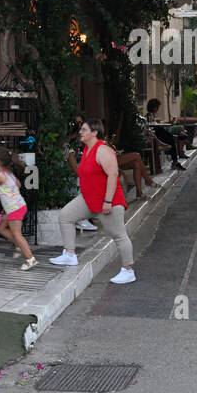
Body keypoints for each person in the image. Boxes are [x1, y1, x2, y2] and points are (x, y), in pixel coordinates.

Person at [53, 119, 136, 284]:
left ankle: (128, 270)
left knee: (119, 235)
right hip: (88, 199)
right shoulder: (86, 150)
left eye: (84, 130)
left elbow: (113, 175)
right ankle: (69, 254)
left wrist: (107, 201)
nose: (80, 132)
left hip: (107, 200)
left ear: (94, 132)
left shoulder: (103, 150)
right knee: (65, 216)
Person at [145, 98, 187, 171]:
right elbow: (152, 126)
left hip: (158, 133)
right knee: (171, 138)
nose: (158, 109)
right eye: (157, 107)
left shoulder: (153, 115)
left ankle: (175, 161)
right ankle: (175, 161)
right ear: (154, 107)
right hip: (155, 135)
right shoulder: (149, 116)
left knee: (172, 138)